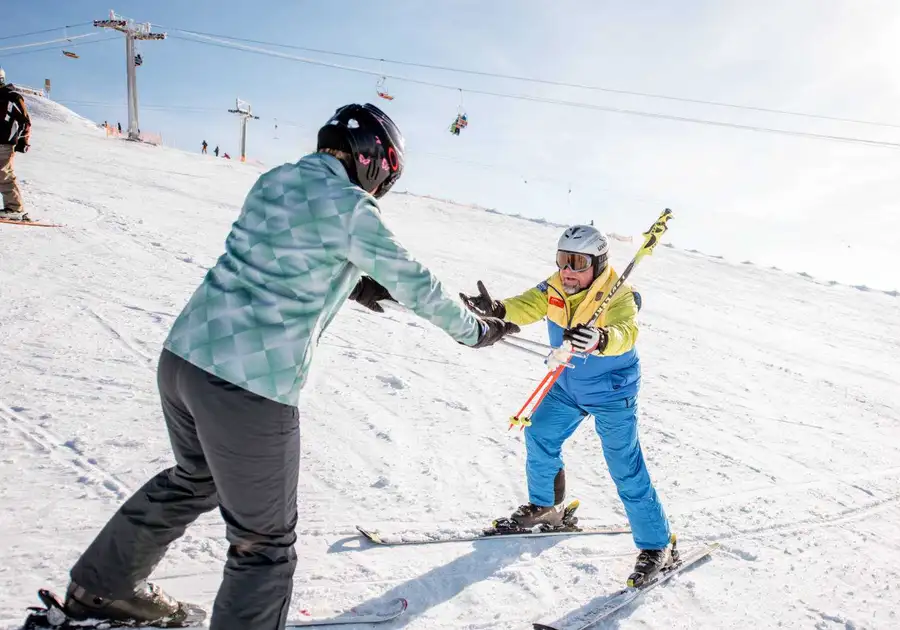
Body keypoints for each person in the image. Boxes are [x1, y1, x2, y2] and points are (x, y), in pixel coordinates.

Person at [48, 104, 519, 630]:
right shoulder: (352, 207)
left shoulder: (274, 182)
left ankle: (102, 587)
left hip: (183, 359)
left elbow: (282, 251)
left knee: (194, 478)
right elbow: (417, 281)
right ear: (375, 160)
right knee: (264, 542)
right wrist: (474, 330)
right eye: (388, 172)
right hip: (248, 384)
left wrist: (352, 281)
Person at [460, 225, 676, 587]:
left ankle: (659, 545)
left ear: (599, 262)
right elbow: (528, 303)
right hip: (568, 384)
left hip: (611, 391)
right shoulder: (557, 286)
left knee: (625, 467)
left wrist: (601, 338)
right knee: (540, 434)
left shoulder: (619, 295)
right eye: (562, 259)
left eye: (577, 262)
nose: (567, 270)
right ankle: (548, 508)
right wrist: (498, 309)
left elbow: (627, 332)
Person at [0, 67, 31, 222]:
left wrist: (23, 141)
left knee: (3, 173)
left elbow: (25, 121)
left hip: (5, 142)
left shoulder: (11, 97)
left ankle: (14, 209)